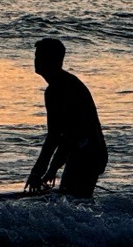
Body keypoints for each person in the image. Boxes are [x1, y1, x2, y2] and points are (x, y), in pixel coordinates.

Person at [26, 37, 108, 197]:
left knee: (74, 200)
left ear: (49, 61)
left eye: (38, 56)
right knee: (73, 199)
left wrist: (37, 173)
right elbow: (66, 136)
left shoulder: (58, 89)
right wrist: (51, 169)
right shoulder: (67, 83)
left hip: (88, 154)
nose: (35, 61)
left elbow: (54, 137)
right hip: (88, 151)